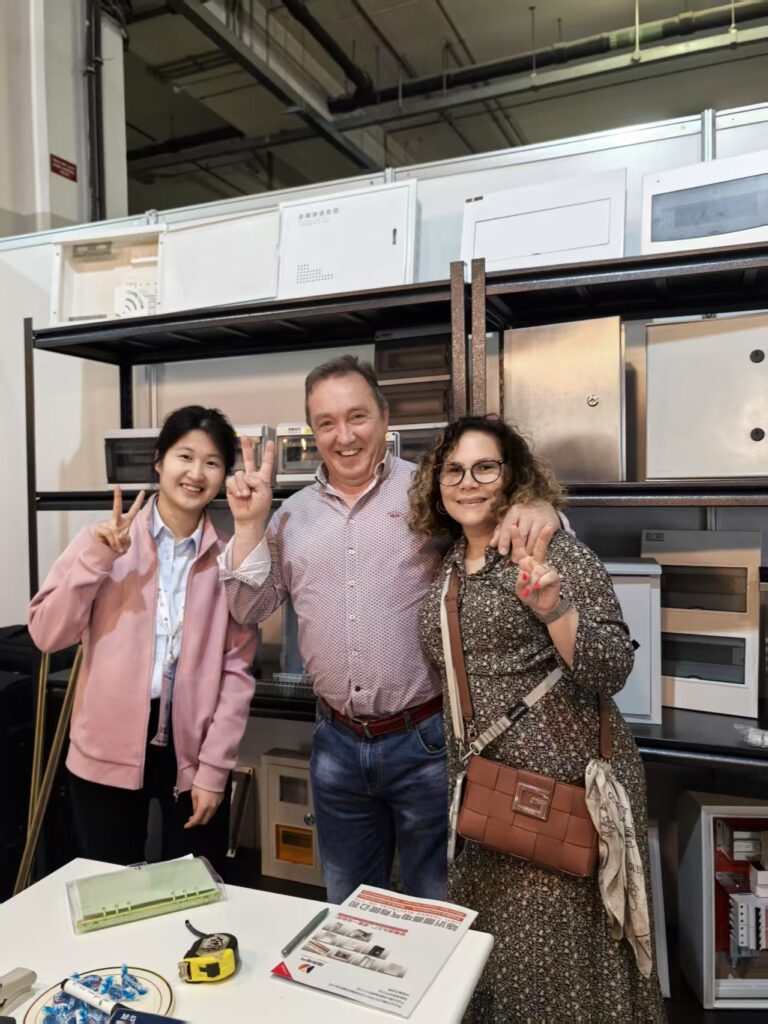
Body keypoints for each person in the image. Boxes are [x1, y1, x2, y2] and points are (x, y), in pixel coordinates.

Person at [219, 354, 562, 904]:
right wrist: (248, 526)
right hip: (335, 744)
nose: (344, 436)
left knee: (437, 904)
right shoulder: (289, 515)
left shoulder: (431, 495)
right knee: (349, 907)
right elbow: (247, 608)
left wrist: (539, 505)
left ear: (384, 416)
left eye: (357, 417)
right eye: (326, 422)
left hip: (424, 739)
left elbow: (502, 509)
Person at [410, 415, 667, 1022]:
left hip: (561, 792)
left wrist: (554, 609)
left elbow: (609, 670)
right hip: (484, 797)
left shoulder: (554, 549)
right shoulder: (449, 563)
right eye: (453, 470)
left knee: (559, 971)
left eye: (485, 467)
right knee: (494, 961)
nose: (468, 483)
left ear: (512, 477)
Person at [28, 406, 257, 871]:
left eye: (212, 463)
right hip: (106, 750)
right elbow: (48, 634)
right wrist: (95, 559)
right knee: (111, 893)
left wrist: (214, 770)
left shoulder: (230, 555)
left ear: (224, 476)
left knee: (195, 895)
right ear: (159, 462)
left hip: (193, 755)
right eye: (184, 456)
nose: (196, 473)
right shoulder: (108, 538)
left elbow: (237, 671)